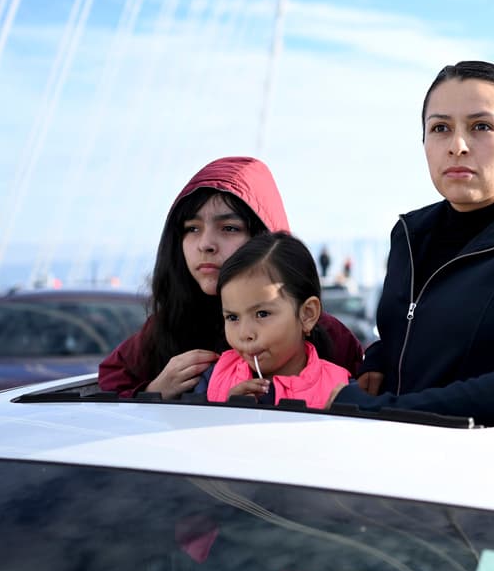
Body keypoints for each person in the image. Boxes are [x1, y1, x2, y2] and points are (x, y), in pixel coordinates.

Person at [328, 60, 494, 426]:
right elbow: (406, 336)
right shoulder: (409, 235)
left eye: (481, 126)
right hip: (386, 460)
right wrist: (377, 360)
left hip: (478, 471)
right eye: (440, 128)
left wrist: (386, 410)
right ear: (423, 142)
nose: (457, 145)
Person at [98, 157, 363, 398]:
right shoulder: (169, 324)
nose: (206, 244)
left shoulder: (325, 333)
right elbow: (108, 385)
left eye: (229, 228)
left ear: (264, 236)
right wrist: (154, 391)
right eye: (192, 228)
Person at [207, 232, 350, 408]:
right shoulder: (211, 379)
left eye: (262, 314)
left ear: (307, 314)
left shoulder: (341, 390)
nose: (245, 334)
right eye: (232, 317)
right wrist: (225, 414)